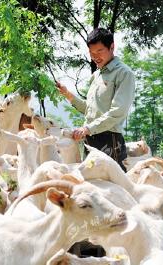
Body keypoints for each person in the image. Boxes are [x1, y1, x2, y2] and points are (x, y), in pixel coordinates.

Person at [56, 28, 135, 172]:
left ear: (112, 47)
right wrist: (68, 95)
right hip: (89, 140)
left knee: (112, 190)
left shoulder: (124, 73)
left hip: (109, 140)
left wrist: (87, 129)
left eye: (99, 51)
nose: (95, 56)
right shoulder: (96, 75)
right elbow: (91, 110)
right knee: (91, 188)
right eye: (91, 52)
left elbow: (118, 112)